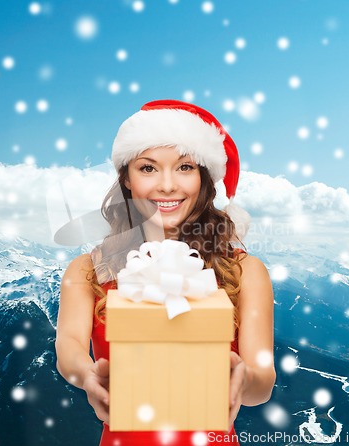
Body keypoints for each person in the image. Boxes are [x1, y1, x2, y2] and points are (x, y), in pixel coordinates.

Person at [55, 100, 276, 446]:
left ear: (204, 178)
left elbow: (262, 382)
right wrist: (86, 375)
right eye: (148, 168)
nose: (168, 185)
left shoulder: (245, 271)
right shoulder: (87, 271)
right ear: (126, 178)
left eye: (184, 167)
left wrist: (242, 381)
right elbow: (68, 347)